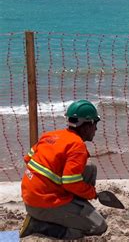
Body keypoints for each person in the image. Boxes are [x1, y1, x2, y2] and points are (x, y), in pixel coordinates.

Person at [19, 99, 108, 239]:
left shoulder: (51, 135)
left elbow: (28, 159)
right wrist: (92, 193)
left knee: (89, 168)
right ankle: (37, 225)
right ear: (86, 126)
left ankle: (75, 207)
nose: (96, 129)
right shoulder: (77, 146)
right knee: (98, 226)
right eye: (95, 124)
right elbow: (70, 183)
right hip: (42, 204)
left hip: (30, 197)